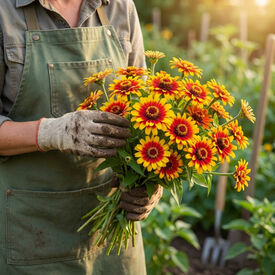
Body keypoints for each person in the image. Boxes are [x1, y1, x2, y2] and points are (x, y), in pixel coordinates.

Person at [0, 0, 163, 274]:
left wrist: (149, 182)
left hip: (112, 238)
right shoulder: (5, 12)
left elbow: (145, 117)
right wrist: (53, 132)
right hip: (29, 235)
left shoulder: (120, 8)